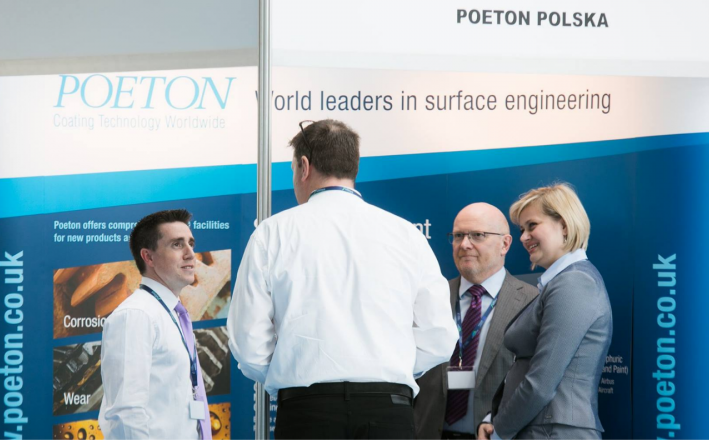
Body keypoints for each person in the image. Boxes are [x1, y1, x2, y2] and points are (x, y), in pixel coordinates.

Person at [228, 119, 458, 440]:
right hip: (389, 408)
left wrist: (293, 369)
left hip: (307, 409)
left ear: (304, 167)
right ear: (354, 165)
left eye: (292, 169)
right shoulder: (407, 234)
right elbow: (439, 337)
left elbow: (248, 343)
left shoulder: (272, 233)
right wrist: (390, 368)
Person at [477, 183, 612, 440]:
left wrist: (499, 432)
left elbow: (542, 381)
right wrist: (494, 419)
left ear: (564, 225)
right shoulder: (561, 282)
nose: (523, 237)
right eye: (522, 229)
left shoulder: (574, 282)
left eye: (532, 225)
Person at [414, 203, 538, 440]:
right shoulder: (430, 296)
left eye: (477, 235)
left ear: (505, 244)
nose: (464, 244)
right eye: (458, 236)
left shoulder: (532, 302)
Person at [98, 209, 211, 440]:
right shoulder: (135, 316)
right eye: (177, 245)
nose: (191, 254)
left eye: (191, 243)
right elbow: (126, 414)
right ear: (148, 257)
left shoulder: (172, 314)